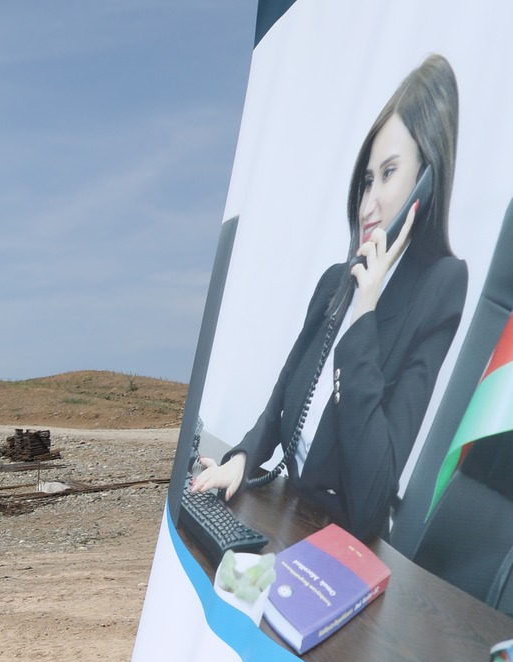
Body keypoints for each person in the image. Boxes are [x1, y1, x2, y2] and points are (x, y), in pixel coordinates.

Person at [191, 55, 465, 543]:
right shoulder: (335, 282)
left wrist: (366, 313)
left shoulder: (440, 288)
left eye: (389, 173)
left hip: (345, 545)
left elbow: (373, 494)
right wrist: (242, 459)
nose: (368, 203)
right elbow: (281, 401)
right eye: (367, 180)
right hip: (288, 519)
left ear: (427, 178)